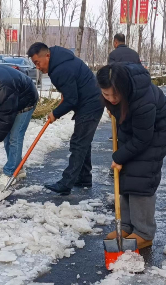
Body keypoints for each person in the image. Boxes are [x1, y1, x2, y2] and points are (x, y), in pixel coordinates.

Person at [97, 62, 166, 249]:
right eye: (106, 95)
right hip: (132, 125)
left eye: (115, 94)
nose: (112, 98)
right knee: (125, 174)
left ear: (124, 88)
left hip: (155, 130)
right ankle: (126, 225)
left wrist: (119, 157)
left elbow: (142, 139)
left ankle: (144, 232)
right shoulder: (114, 90)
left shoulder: (143, 100)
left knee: (141, 175)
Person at [27, 42, 104, 195]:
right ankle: (83, 178)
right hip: (92, 101)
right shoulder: (61, 61)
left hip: (90, 105)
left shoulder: (60, 70)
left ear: (47, 55)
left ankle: (66, 183)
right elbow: (71, 90)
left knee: (78, 143)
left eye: (37, 62)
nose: (37, 67)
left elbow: (71, 100)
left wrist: (55, 113)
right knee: (83, 142)